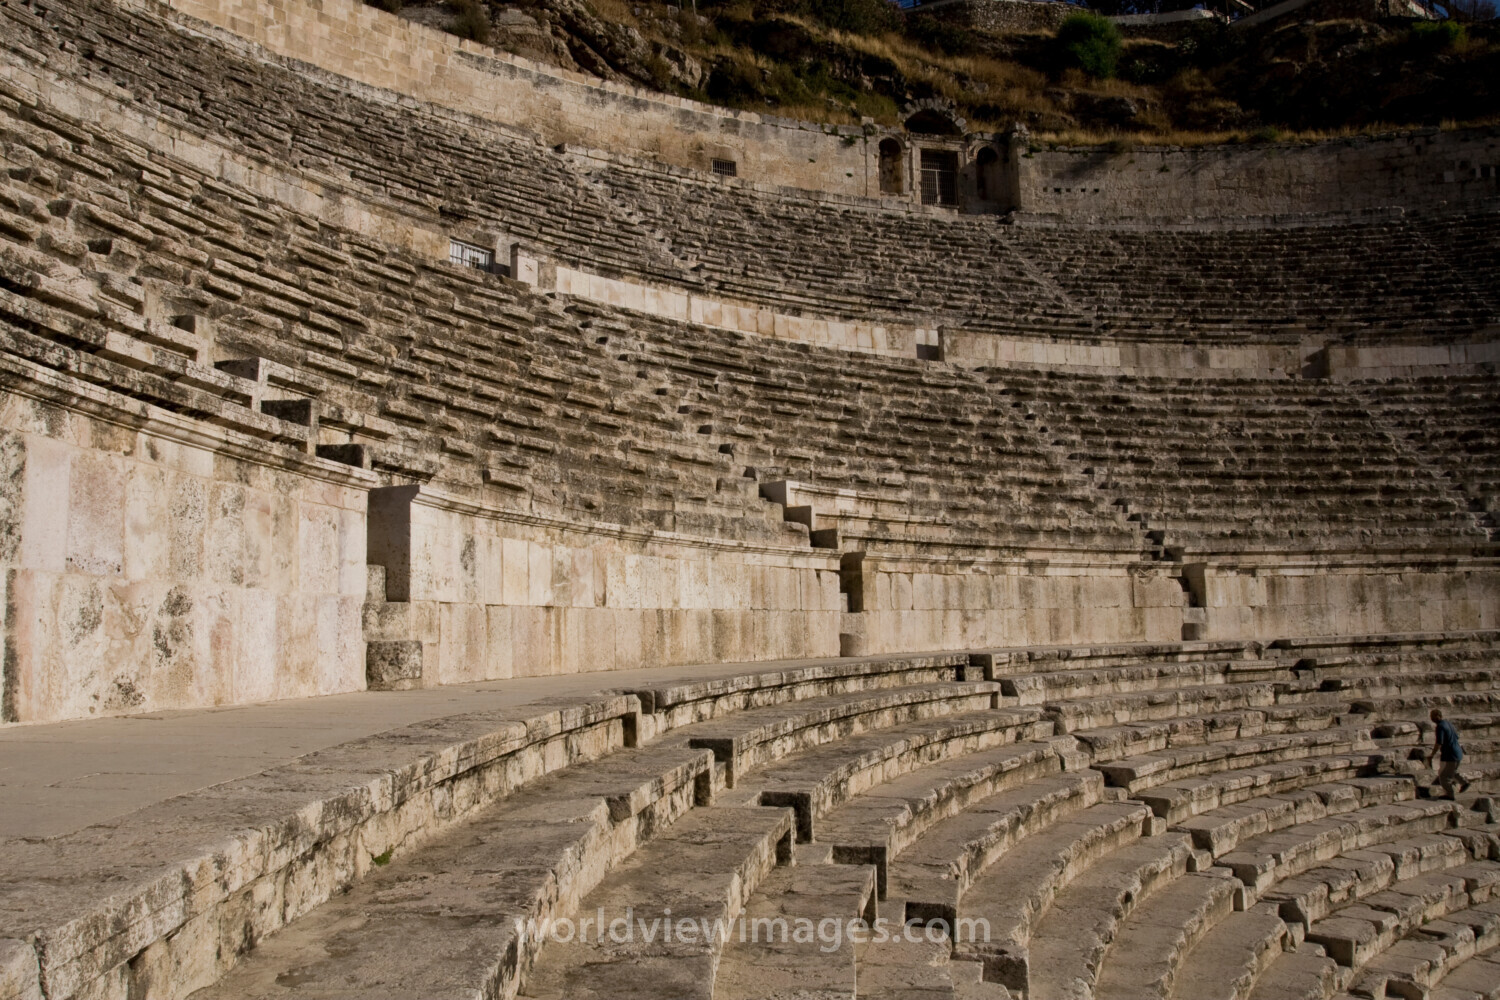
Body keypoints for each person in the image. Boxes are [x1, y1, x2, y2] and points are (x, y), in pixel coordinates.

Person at [1429, 709, 1471, 799]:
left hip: (1451, 754)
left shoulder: (1440, 726)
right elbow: (1457, 736)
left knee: (1444, 777)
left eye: (1432, 716)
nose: (1431, 718)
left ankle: (1450, 795)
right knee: (1452, 771)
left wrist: (1432, 754)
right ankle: (1464, 783)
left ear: (1437, 716)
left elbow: (1439, 743)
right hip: (1458, 752)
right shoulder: (1448, 723)